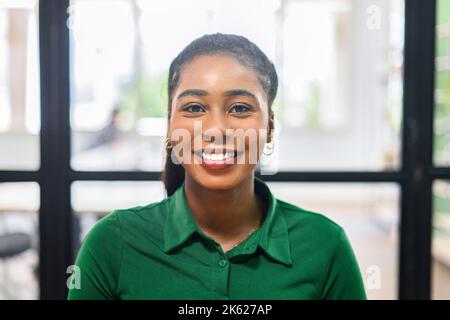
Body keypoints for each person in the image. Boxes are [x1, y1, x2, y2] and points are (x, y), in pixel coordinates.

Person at [67, 33, 366, 300]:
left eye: (240, 108)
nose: (216, 129)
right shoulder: (112, 243)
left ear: (270, 127)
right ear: (171, 126)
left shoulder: (325, 245)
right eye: (194, 108)